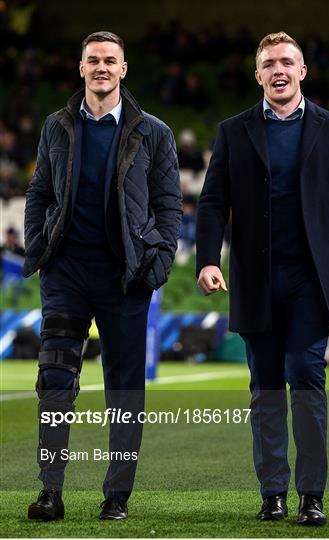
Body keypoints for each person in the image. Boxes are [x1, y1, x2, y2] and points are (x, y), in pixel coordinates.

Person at [196, 31, 329, 526]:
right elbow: (212, 202)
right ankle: (272, 492)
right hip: (255, 279)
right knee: (266, 387)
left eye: (287, 62)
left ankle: (311, 494)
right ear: (258, 75)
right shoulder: (233, 131)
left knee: (308, 378)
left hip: (310, 280)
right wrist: (208, 259)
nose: (278, 70)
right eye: (269, 63)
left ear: (302, 72)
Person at [24, 31, 182, 521]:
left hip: (125, 280)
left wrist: (155, 266)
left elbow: (169, 205)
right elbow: (39, 192)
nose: (101, 67)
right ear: (81, 68)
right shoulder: (57, 126)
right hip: (67, 274)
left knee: (125, 389)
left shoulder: (153, 132)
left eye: (110, 60)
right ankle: (51, 491)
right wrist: (40, 249)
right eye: (93, 60)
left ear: (124, 69)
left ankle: (117, 495)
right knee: (55, 380)